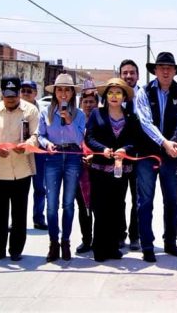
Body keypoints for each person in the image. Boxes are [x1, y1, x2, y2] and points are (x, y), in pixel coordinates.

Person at [134, 52, 177, 262]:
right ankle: (147, 245)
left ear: (175, 71)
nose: (166, 71)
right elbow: (145, 122)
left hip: (172, 155)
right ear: (155, 70)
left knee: (172, 201)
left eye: (169, 67)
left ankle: (170, 242)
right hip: (148, 154)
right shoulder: (144, 93)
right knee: (145, 201)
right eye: (161, 67)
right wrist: (164, 143)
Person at [0, 76, 39, 262]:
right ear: (1, 94)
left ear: (18, 93)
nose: (11, 99)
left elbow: (36, 135)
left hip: (22, 169)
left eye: (14, 95)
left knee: (19, 212)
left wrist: (26, 145)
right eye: (7, 95)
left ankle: (16, 250)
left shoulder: (30, 110)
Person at [85, 78, 141, 262]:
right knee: (100, 209)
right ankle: (99, 248)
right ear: (105, 95)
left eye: (118, 92)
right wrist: (103, 150)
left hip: (122, 171)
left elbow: (135, 141)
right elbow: (89, 138)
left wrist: (124, 150)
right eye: (111, 92)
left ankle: (113, 246)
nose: (114, 96)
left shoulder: (131, 117)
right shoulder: (96, 114)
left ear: (124, 96)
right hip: (100, 169)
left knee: (117, 208)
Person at [38, 73, 85, 262]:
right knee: (51, 205)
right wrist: (46, 144)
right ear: (55, 92)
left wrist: (68, 120)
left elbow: (79, 139)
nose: (63, 93)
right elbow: (40, 135)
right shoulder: (45, 112)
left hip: (73, 156)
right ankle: (53, 242)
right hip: (54, 157)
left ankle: (66, 242)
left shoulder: (79, 114)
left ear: (72, 93)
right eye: (60, 89)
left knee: (68, 204)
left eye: (67, 89)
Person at [19, 80, 48, 230]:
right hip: (20, 154)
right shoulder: (14, 109)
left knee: (39, 188)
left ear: (36, 93)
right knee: (19, 190)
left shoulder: (43, 111)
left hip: (38, 154)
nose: (25, 93)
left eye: (29, 91)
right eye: (23, 90)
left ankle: (38, 218)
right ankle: (17, 221)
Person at [119, 59, 141, 250]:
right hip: (118, 158)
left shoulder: (143, 97)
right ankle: (120, 235)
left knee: (138, 199)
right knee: (118, 198)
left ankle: (135, 236)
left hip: (139, 157)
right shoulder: (113, 96)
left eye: (132, 73)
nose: (128, 76)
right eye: (125, 73)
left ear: (138, 76)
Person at [74, 85, 98, 254]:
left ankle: (99, 240)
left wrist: (94, 157)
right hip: (78, 170)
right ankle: (86, 240)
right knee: (82, 207)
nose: (88, 105)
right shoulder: (76, 121)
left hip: (98, 170)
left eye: (92, 102)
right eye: (85, 102)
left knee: (98, 208)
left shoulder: (101, 121)